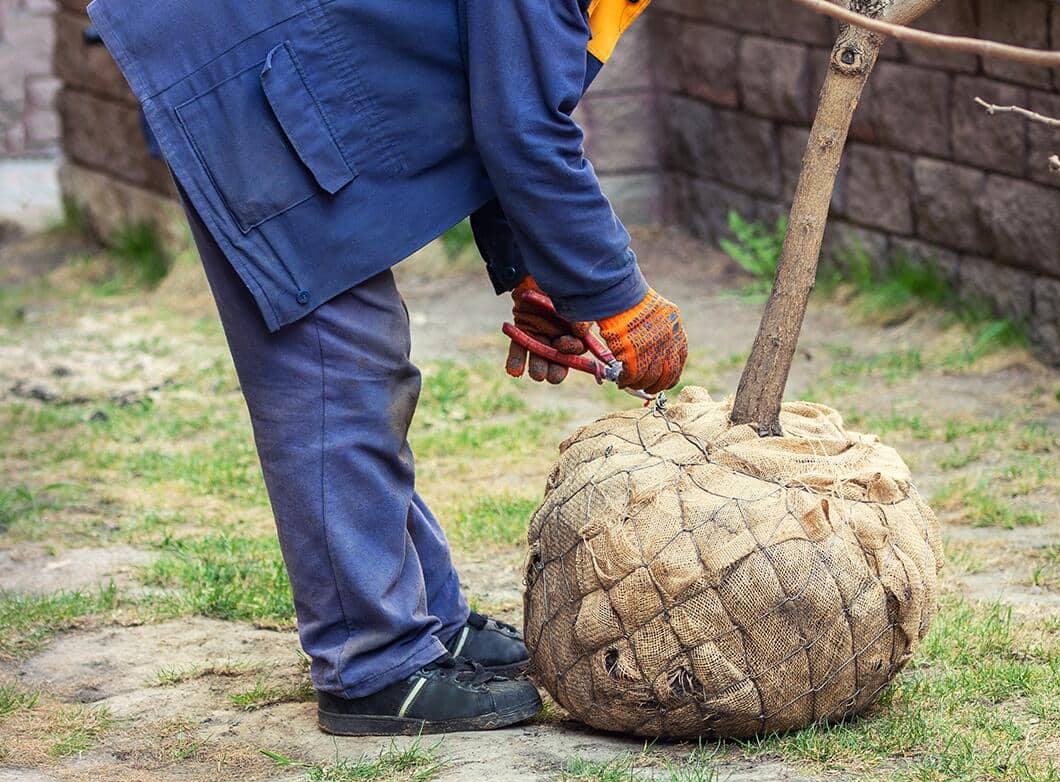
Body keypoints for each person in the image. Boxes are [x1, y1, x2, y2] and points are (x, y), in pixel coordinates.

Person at [88, 0, 688, 735]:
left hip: (283, 44)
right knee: (332, 368)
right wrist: (617, 297)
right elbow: (523, 128)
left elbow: (510, 88)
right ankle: (372, 662)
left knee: (363, 363)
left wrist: (537, 271)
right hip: (241, 55)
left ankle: (424, 615)